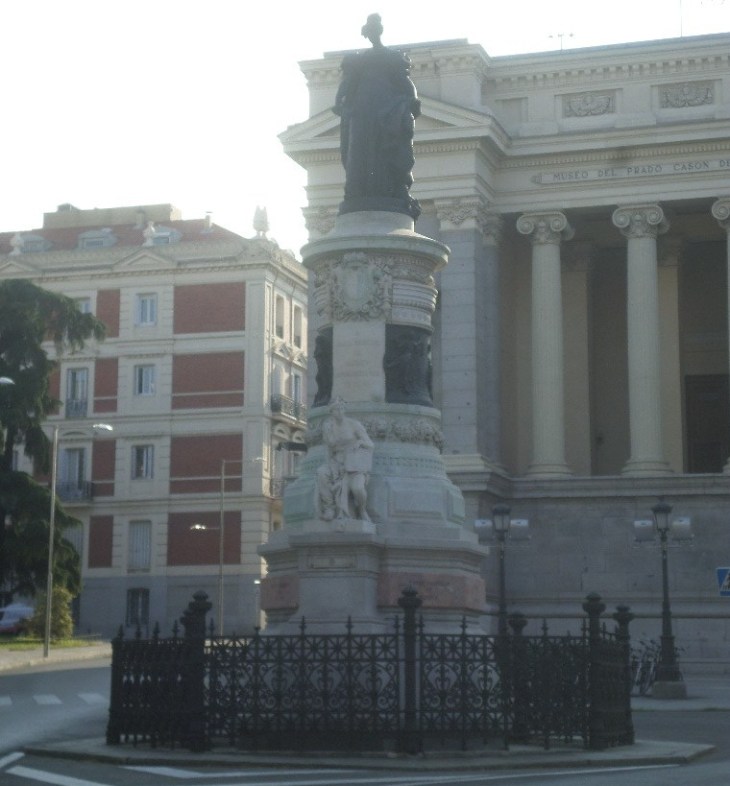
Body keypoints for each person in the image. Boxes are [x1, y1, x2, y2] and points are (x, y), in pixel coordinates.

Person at [333, 14, 421, 218]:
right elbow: (347, 83)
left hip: (386, 108)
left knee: (383, 151)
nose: (372, 34)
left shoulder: (391, 57)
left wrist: (412, 100)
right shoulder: (358, 60)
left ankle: (389, 189)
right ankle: (360, 191)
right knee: (360, 151)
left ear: (378, 32)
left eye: (375, 30)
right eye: (370, 31)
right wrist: (338, 101)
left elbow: (405, 82)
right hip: (362, 110)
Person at [317, 398, 374, 521]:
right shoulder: (328, 427)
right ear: (331, 412)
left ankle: (362, 510)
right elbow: (329, 450)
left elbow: (370, 444)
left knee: (358, 488)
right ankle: (329, 508)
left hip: (354, 464)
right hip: (337, 462)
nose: (340, 412)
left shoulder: (354, 424)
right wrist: (331, 466)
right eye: (336, 410)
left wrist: (360, 442)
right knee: (321, 472)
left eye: (342, 409)